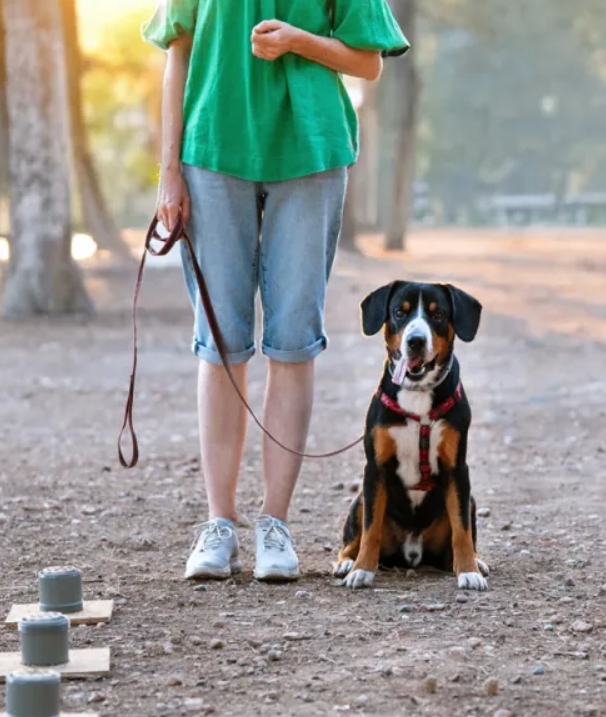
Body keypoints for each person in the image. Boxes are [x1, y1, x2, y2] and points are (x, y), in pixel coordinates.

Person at [142, 0, 408, 582]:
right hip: (211, 152)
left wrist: (298, 40)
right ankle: (219, 524)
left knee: (292, 340)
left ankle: (275, 524)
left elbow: (368, 63)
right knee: (220, 342)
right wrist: (169, 170)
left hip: (310, 154)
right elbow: (177, 54)